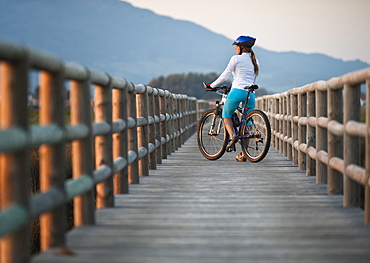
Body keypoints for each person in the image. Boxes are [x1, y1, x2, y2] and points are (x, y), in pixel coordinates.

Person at [205, 35, 259, 162]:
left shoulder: (236, 59)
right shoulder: (254, 61)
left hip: (237, 91)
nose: (235, 49)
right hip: (250, 94)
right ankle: (244, 154)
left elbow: (225, 75)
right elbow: (254, 78)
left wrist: (212, 85)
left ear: (241, 47)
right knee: (246, 122)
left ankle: (233, 136)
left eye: (236, 46)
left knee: (226, 114)